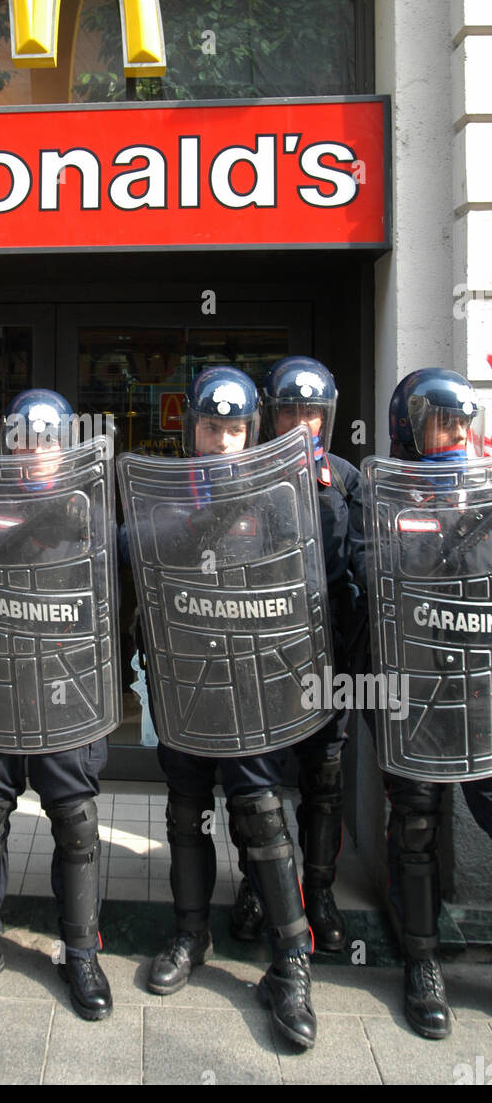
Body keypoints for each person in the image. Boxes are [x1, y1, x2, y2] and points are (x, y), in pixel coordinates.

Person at [124, 366, 319, 1047]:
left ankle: (290, 966)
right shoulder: (165, 496)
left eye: (236, 428)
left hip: (255, 688)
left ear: (253, 431)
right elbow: (142, 563)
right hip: (187, 683)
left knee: (263, 816)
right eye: (213, 426)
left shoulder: (283, 501)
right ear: (194, 430)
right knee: (184, 812)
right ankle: (189, 933)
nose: (225, 441)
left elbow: (304, 593)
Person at [0, 388, 113, 1021]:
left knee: (75, 821)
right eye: (25, 437)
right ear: (8, 441)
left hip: (65, 686)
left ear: (65, 446)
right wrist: (36, 533)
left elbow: (110, 599)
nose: (35, 450)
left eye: (49, 439)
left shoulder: (91, 507)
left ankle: (81, 952)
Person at [365, 368, 492, 1039]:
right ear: (408, 427)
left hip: (479, 690)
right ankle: (420, 960)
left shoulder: (486, 491)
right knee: (414, 823)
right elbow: (371, 575)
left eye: (460, 423)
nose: (455, 436)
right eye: (441, 423)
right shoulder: (387, 496)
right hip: (414, 687)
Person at [230, 357, 366, 952]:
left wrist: (356, 668)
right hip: (262, 654)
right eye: (291, 411)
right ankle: (258, 884)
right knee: (259, 780)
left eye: (313, 413)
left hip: (325, 659)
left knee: (323, 780)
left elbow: (364, 579)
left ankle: (321, 889)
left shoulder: (347, 479)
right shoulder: (244, 477)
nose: (301, 424)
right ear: (272, 414)